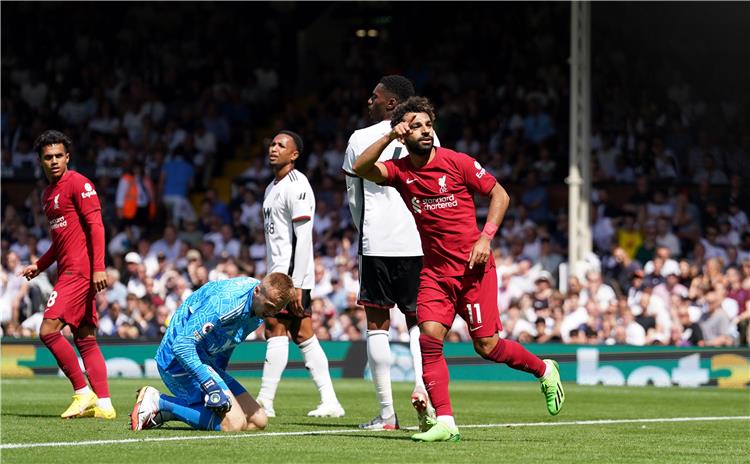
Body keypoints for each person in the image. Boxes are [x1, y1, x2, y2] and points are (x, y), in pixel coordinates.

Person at [352, 97, 565, 442]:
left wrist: (486, 238)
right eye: (415, 126)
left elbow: (500, 195)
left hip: (473, 270)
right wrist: (390, 136)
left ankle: (545, 369)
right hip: (435, 273)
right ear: (404, 134)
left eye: (427, 124)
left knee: (487, 346)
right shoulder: (401, 172)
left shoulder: (457, 162)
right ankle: (446, 422)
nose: (424, 131)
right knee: (429, 337)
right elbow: (360, 168)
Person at [342, 75, 436, 431]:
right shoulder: (428, 134)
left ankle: (386, 415)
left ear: (392, 104)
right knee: (418, 322)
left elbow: (354, 198)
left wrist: (362, 231)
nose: (370, 102)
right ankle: (421, 390)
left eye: (375, 97)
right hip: (417, 242)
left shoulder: (361, 139)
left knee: (377, 326)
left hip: (377, 242)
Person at [19, 130, 115, 419]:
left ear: (68, 157)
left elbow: (96, 226)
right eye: (48, 157)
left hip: (79, 271)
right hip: (69, 268)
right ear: (40, 161)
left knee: (48, 331)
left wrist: (99, 266)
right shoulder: (48, 194)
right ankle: (106, 405)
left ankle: (83, 392)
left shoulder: (78, 183)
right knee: (85, 337)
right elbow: (61, 240)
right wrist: (41, 264)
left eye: (59, 155)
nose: (54, 161)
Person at [130, 273, 295, 432]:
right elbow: (182, 345)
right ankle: (159, 402)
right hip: (176, 361)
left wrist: (219, 377)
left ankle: (169, 413)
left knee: (257, 421)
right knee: (233, 425)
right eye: (270, 307)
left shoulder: (259, 308)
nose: (271, 314)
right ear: (257, 291)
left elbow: (230, 341)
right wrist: (210, 384)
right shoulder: (225, 302)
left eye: (277, 310)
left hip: (203, 359)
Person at [256, 131, 345, 418]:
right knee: (302, 333)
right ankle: (330, 400)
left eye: (282, 145)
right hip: (278, 273)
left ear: (294, 155)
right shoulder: (271, 187)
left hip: (291, 277)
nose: (274, 148)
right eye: (272, 143)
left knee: (274, 328)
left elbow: (303, 238)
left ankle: (265, 401)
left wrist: (295, 283)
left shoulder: (298, 185)